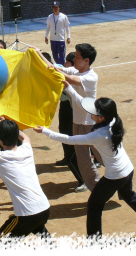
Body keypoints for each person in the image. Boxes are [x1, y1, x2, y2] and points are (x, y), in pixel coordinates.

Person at [34, 88, 136, 238]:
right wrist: (70, 89)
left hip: (115, 176)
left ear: (100, 118)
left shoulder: (98, 135)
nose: (90, 113)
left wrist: (45, 131)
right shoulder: (113, 119)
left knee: (94, 205)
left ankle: (94, 241)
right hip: (128, 169)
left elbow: (70, 140)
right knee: (129, 195)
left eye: (94, 112)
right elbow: (83, 104)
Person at [34, 43, 101, 192]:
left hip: (90, 123)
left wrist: (42, 58)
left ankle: (119, 177)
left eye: (77, 57)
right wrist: (39, 55)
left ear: (86, 61)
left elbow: (66, 78)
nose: (74, 60)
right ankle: (96, 188)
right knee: (83, 159)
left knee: (102, 156)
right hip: (78, 122)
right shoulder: (75, 70)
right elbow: (55, 68)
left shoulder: (91, 77)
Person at [53, 52, 86, 192]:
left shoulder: (77, 77)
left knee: (73, 141)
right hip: (66, 108)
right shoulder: (66, 71)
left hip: (74, 111)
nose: (64, 64)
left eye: (67, 62)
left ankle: (84, 179)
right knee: (64, 132)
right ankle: (67, 157)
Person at [45, 1, 70, 65]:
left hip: (61, 39)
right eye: (54, 7)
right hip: (53, 40)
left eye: (56, 7)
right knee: (55, 56)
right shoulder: (50, 17)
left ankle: (62, 68)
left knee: (62, 57)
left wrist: (68, 37)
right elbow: (48, 27)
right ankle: (61, 67)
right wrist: (46, 36)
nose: (55, 8)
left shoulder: (64, 16)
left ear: (59, 8)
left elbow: (67, 27)